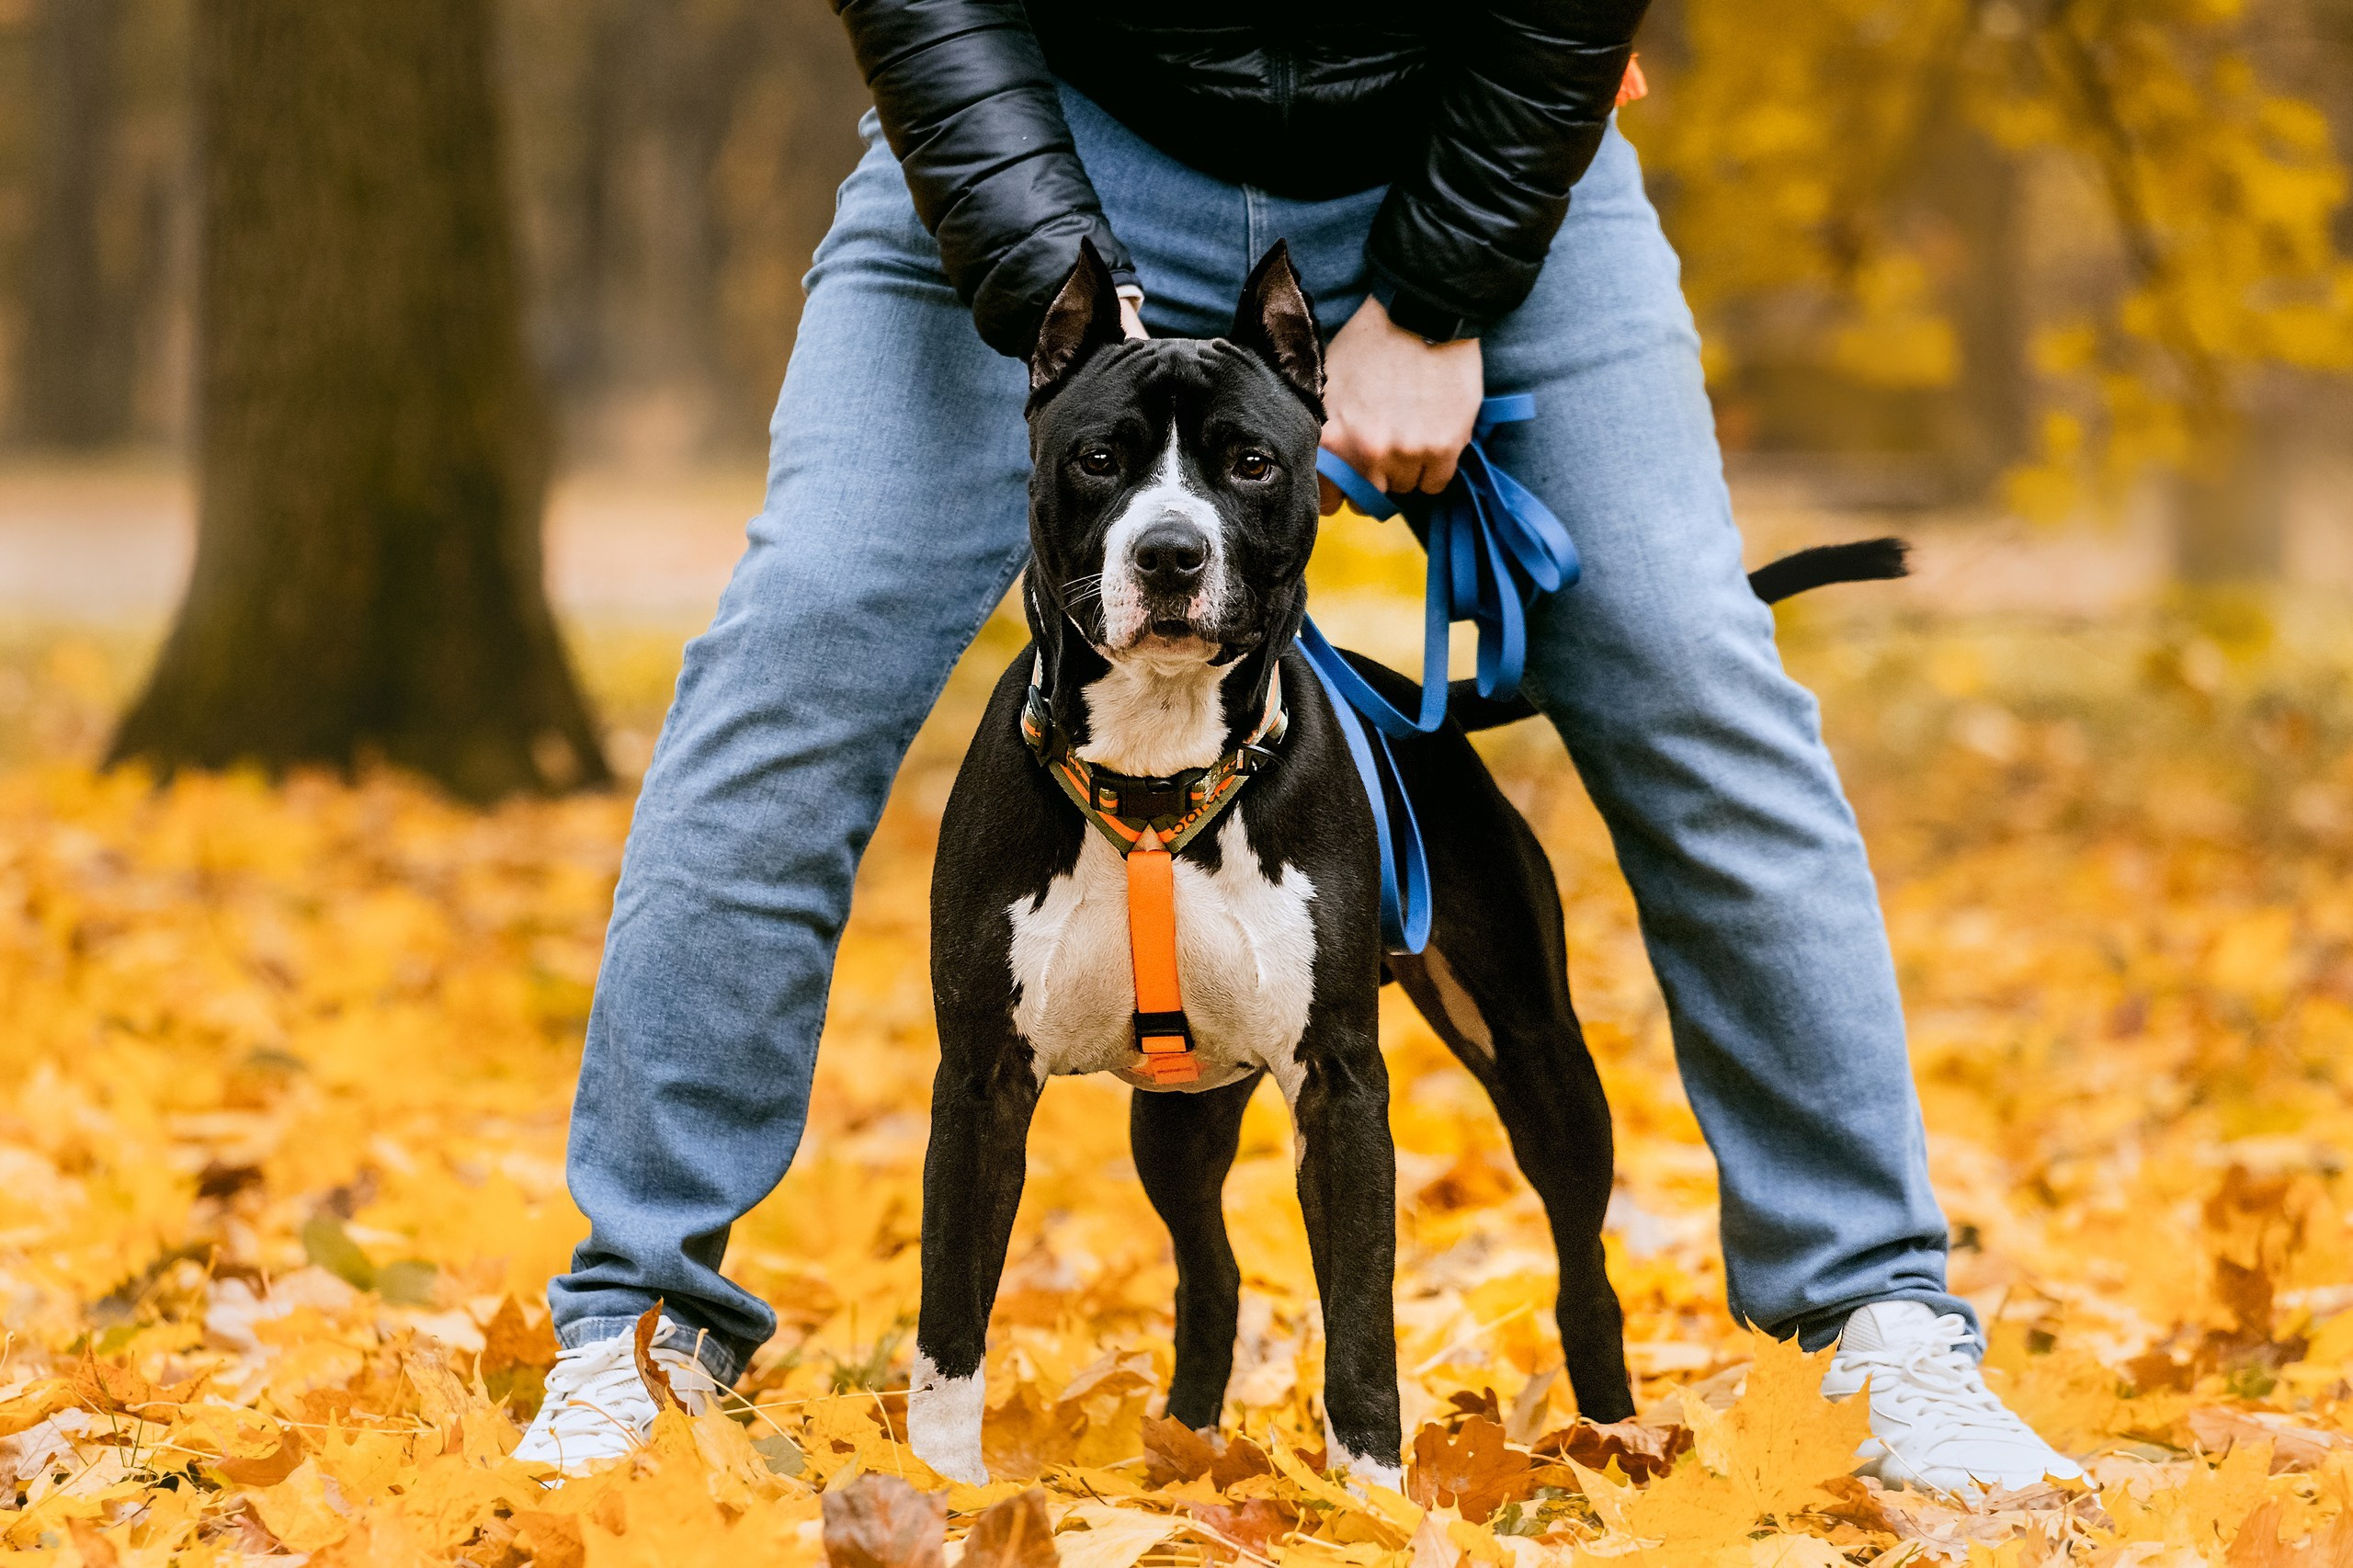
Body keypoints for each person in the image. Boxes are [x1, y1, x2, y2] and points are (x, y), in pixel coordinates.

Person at [515, 3, 2084, 1494]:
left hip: (1475, 135)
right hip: (1046, 127)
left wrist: (1444, 287)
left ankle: (1878, 1317)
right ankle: (637, 1323)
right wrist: (1060, 289)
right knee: (801, 633)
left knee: (1690, 656)